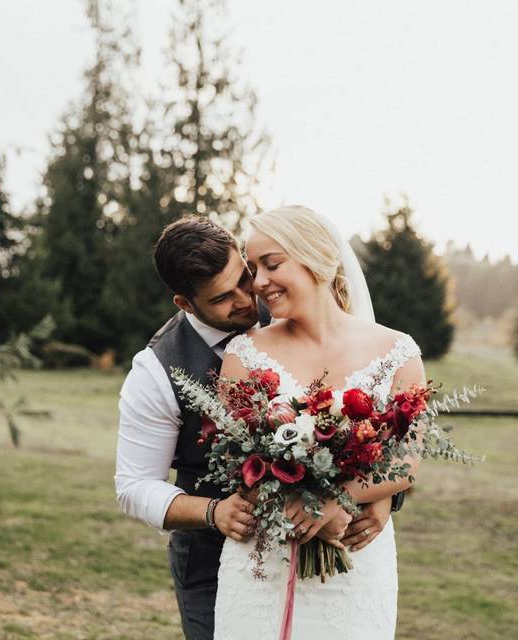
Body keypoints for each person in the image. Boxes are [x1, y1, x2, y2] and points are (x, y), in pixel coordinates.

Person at [114, 216, 400, 640]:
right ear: (186, 304)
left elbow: (365, 401)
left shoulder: (288, 299)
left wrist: (382, 496)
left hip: (332, 539)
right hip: (218, 553)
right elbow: (134, 486)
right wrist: (214, 511)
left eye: (243, 278)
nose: (248, 299)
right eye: (222, 298)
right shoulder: (155, 370)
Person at [215, 205, 425, 639]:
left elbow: (406, 461)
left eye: (272, 264)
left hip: (353, 561)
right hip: (264, 563)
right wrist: (304, 498)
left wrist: (340, 499)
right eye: (254, 268)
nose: (259, 282)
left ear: (319, 259)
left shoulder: (398, 352)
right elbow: (239, 465)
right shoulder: (244, 355)